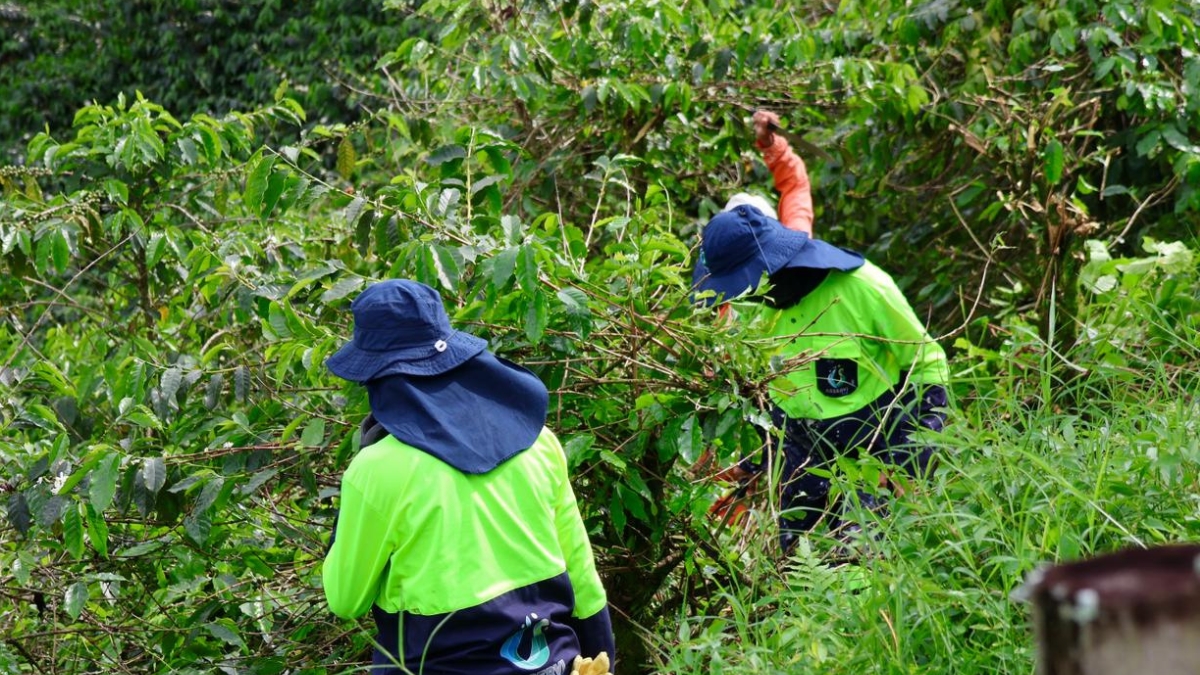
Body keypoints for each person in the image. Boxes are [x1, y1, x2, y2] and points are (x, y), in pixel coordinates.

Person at [322, 279, 615, 674]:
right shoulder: (538, 441)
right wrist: (606, 659)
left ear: (376, 378)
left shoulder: (376, 470)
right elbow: (582, 574)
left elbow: (345, 600)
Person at [693, 198, 950, 554]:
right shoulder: (750, 311)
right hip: (802, 458)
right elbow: (771, 403)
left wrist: (908, 460)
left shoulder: (864, 287)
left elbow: (929, 365)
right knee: (799, 572)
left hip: (875, 450)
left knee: (857, 565)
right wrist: (756, 469)